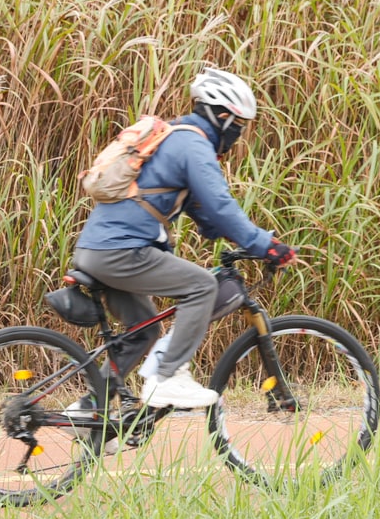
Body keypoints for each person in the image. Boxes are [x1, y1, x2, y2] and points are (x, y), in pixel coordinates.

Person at [71, 68, 298, 409]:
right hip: (122, 251)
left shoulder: (174, 137)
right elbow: (221, 205)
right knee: (202, 286)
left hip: (96, 250)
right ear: (222, 117)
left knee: (144, 328)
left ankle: (89, 408)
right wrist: (264, 245)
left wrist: (237, 239)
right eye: (239, 124)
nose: (239, 133)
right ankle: (168, 377)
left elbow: (205, 213)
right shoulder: (193, 143)